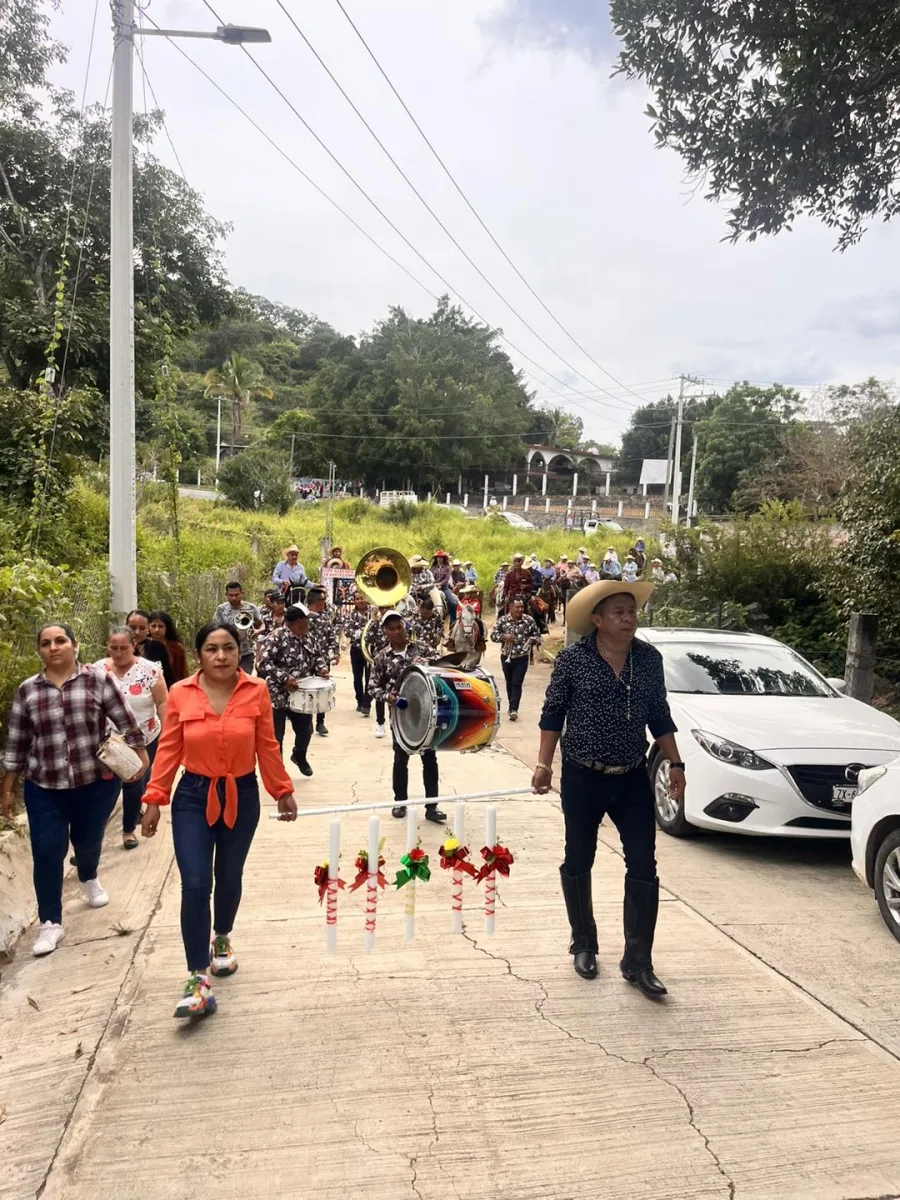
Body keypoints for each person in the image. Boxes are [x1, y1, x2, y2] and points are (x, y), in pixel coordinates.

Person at [533, 580, 685, 999]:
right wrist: (544, 765)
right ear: (597, 621)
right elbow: (552, 715)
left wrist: (676, 763)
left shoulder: (649, 660)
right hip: (584, 777)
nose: (628, 618)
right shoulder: (573, 661)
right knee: (578, 858)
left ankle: (638, 961)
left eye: (632, 611)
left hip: (633, 777)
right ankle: (583, 943)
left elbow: (660, 716)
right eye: (618, 612)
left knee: (643, 866)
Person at [142, 622, 297, 1018]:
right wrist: (155, 798)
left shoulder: (256, 690)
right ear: (200, 655)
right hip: (193, 796)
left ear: (238, 652)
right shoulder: (180, 694)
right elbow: (169, 749)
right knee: (195, 884)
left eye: (228, 648)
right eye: (212, 649)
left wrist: (281, 789)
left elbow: (267, 744)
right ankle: (197, 977)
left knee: (229, 876)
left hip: (242, 796)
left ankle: (222, 938)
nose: (221, 656)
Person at [1, 624, 148, 957]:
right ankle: (50, 922)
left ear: (74, 646)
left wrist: (140, 756)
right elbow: (17, 741)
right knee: (47, 850)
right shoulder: (28, 691)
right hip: (45, 786)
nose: (53, 647)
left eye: (60, 641)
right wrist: (7, 788)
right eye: (45, 643)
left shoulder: (98, 680)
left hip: (93, 783)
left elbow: (124, 718)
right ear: (39, 651)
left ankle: (89, 875)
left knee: (87, 841)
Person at [95, 627, 168, 850]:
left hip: (144, 738)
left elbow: (163, 702)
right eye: (113, 648)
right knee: (105, 791)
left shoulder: (149, 670)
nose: (118, 653)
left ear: (134, 645)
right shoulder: (97, 670)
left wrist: (168, 733)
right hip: (109, 742)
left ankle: (128, 830)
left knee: (134, 785)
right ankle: (91, 842)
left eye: (124, 648)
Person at [369, 612, 445, 824]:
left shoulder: (421, 647)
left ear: (405, 626)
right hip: (401, 715)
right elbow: (372, 687)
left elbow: (442, 665)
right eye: (391, 628)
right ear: (385, 631)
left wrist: (428, 661)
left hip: (427, 711)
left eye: (399, 627)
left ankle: (432, 806)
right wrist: (387, 696)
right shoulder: (381, 657)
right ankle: (399, 802)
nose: (396, 632)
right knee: (400, 758)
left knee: (429, 758)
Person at [257, 605, 330, 778]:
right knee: (277, 736)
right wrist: (284, 678)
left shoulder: (308, 637)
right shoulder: (276, 637)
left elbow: (317, 656)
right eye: (307, 620)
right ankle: (278, 772)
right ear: (299, 622)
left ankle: (299, 755)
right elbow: (263, 664)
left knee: (306, 730)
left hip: (302, 694)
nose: (309, 624)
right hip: (278, 694)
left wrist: (322, 669)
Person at [491, 598, 541, 721]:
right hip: (506, 656)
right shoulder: (503, 620)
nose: (520, 610)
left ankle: (514, 709)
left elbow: (538, 635)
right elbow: (493, 636)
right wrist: (504, 637)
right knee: (509, 682)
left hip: (522, 657)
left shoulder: (529, 620)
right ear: (511, 608)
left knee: (516, 683)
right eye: (517, 607)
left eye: (521, 607)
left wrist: (534, 640)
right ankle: (511, 705)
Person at [305, 586, 340, 737]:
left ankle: (320, 722)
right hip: (304, 659)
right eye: (322, 601)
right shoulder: (303, 616)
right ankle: (306, 721)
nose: (324, 604)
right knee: (306, 690)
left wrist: (336, 653)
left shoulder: (325, 617)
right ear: (314, 601)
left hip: (323, 659)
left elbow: (331, 636)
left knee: (322, 690)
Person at [214, 582, 263, 675]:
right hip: (227, 653)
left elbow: (261, 624)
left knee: (244, 683)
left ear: (242, 593)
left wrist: (258, 631)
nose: (234, 598)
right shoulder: (221, 609)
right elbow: (214, 629)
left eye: (236, 595)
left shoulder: (251, 607)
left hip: (246, 653)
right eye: (231, 595)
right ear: (226, 595)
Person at [343, 592, 374, 716]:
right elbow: (346, 630)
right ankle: (359, 701)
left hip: (370, 650)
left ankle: (367, 703)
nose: (360, 601)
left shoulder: (373, 613)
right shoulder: (351, 615)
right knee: (357, 677)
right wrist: (358, 633)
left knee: (369, 677)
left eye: (362, 598)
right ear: (354, 601)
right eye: (357, 599)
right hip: (356, 649)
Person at [127, 609, 173, 688]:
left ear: (148, 628)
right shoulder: (118, 647)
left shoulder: (158, 647)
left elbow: (168, 679)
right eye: (133, 628)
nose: (137, 632)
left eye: (142, 628)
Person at [364, 610, 390, 737]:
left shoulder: (401, 620)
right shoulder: (376, 623)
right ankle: (380, 723)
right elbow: (367, 639)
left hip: (397, 660)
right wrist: (374, 622)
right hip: (380, 661)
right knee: (380, 692)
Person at [148, 611, 188, 683]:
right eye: (153, 626)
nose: (157, 630)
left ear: (167, 628)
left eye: (161, 626)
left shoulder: (176, 648)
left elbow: (183, 674)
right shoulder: (142, 646)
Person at [431, 551, 458, 624]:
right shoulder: (432, 568)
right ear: (436, 559)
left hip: (444, 587)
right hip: (433, 588)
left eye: (441, 558)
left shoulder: (447, 568)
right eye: (438, 557)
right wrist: (434, 584)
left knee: (452, 603)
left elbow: (446, 579)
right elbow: (431, 578)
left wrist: (439, 584)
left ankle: (453, 621)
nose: (439, 559)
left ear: (443, 559)